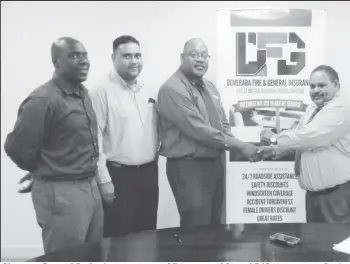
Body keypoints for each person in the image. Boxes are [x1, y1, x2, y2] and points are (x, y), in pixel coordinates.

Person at [4, 37, 102, 254]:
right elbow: (16, 148)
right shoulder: (43, 99)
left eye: (84, 55)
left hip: (89, 185)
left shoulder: (82, 93)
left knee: (93, 253)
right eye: (74, 55)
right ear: (56, 62)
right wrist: (44, 169)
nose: (83, 61)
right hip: (62, 191)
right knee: (66, 256)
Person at [157, 38, 259, 228]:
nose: (200, 60)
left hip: (215, 164)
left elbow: (222, 122)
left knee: (215, 224)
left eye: (204, 55)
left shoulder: (210, 86)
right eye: (194, 55)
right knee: (197, 226)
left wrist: (234, 143)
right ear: (182, 57)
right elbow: (199, 129)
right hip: (189, 168)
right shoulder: (172, 89)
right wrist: (241, 146)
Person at [258, 65, 350, 225]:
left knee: (340, 245)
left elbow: (307, 138)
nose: (316, 90)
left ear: (336, 85)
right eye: (312, 86)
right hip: (317, 196)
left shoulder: (340, 109)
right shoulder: (313, 110)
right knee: (317, 247)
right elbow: (299, 139)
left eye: (322, 85)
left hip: (340, 195)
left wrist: (274, 139)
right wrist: (274, 151)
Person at [89, 35, 159, 238]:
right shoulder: (100, 90)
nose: (134, 61)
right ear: (113, 58)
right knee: (118, 236)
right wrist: (103, 180)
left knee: (147, 233)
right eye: (127, 56)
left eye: (137, 55)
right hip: (118, 176)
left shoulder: (150, 87)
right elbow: (95, 140)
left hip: (148, 173)